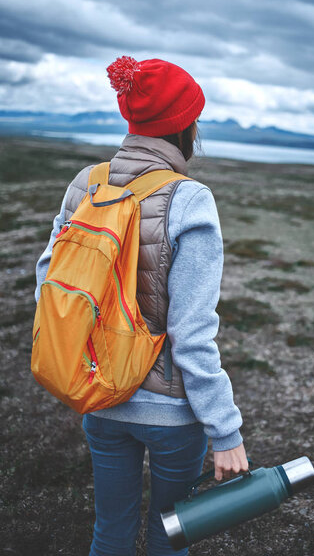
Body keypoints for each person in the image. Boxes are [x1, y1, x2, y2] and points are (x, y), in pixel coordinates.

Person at [34, 55, 248, 556]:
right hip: (172, 414)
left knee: (109, 531)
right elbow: (191, 334)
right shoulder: (190, 199)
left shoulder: (87, 183)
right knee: (170, 538)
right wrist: (226, 430)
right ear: (184, 127)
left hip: (100, 397)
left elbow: (51, 284)